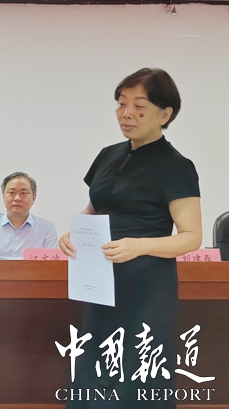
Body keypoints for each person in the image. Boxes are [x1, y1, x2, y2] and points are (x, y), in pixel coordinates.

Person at [59, 68, 202, 408]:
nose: (126, 113)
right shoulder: (108, 155)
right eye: (121, 103)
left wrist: (140, 246)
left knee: (137, 380)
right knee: (93, 375)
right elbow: (95, 207)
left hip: (146, 289)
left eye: (139, 106)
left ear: (164, 115)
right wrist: (74, 231)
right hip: (101, 283)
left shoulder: (176, 167)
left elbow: (191, 237)